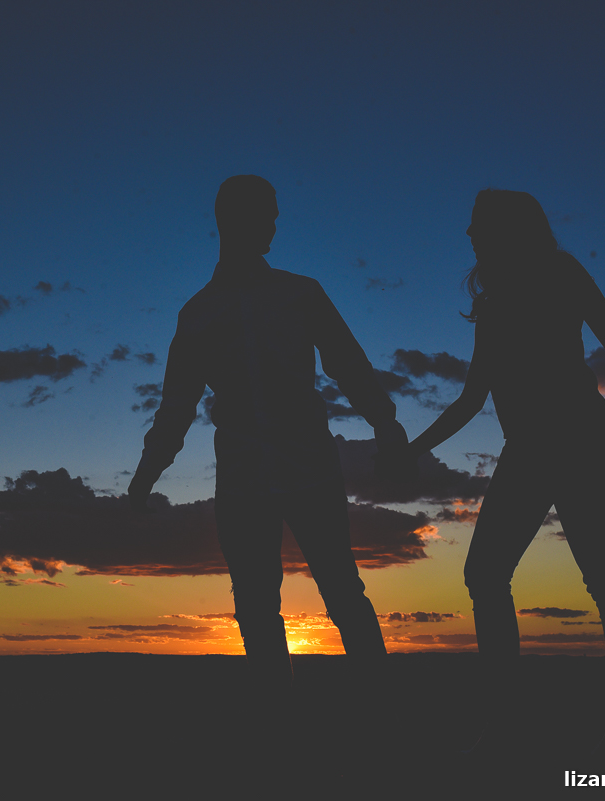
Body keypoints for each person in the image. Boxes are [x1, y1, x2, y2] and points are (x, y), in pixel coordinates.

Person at [402, 189, 605, 741]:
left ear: (505, 228)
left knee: (600, 575)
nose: (469, 235)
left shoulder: (560, 271)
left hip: (577, 440)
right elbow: (471, 398)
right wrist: (413, 448)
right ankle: (507, 708)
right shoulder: (495, 302)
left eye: (477, 225)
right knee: (488, 574)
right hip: (527, 450)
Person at [128, 175, 412, 691]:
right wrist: (146, 475)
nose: (275, 226)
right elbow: (175, 407)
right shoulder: (199, 313)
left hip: (308, 469)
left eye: (274, 215)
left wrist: (386, 422)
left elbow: (349, 364)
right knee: (258, 608)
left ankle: (382, 711)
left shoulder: (300, 294)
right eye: (266, 215)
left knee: (342, 593)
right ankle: (283, 729)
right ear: (232, 221)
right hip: (245, 480)